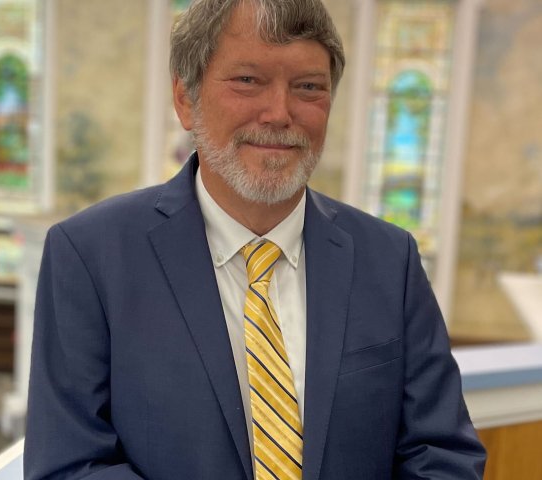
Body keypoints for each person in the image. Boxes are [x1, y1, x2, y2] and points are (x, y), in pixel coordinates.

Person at [24, 0, 487, 478]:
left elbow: (442, 455)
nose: (279, 113)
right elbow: (69, 464)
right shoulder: (90, 257)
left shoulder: (391, 261)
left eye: (308, 87)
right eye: (248, 80)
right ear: (186, 99)